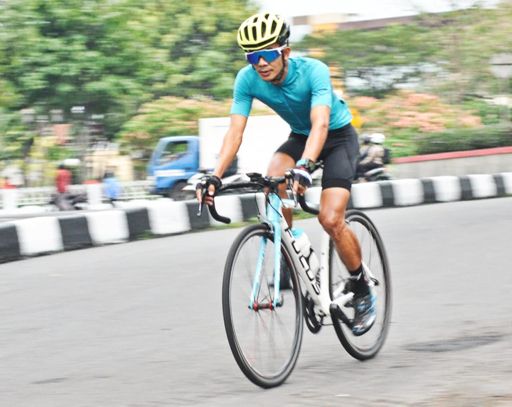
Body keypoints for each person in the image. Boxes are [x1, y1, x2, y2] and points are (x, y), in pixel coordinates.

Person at [196, 12, 376, 335]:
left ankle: (361, 286)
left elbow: (321, 123)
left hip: (337, 138)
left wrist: (305, 167)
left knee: (330, 219)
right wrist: (215, 176)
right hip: (300, 137)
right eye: (253, 57)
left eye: (267, 54)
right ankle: (289, 253)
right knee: (272, 179)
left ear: (286, 52)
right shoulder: (246, 79)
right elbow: (235, 133)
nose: (261, 63)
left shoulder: (314, 71)